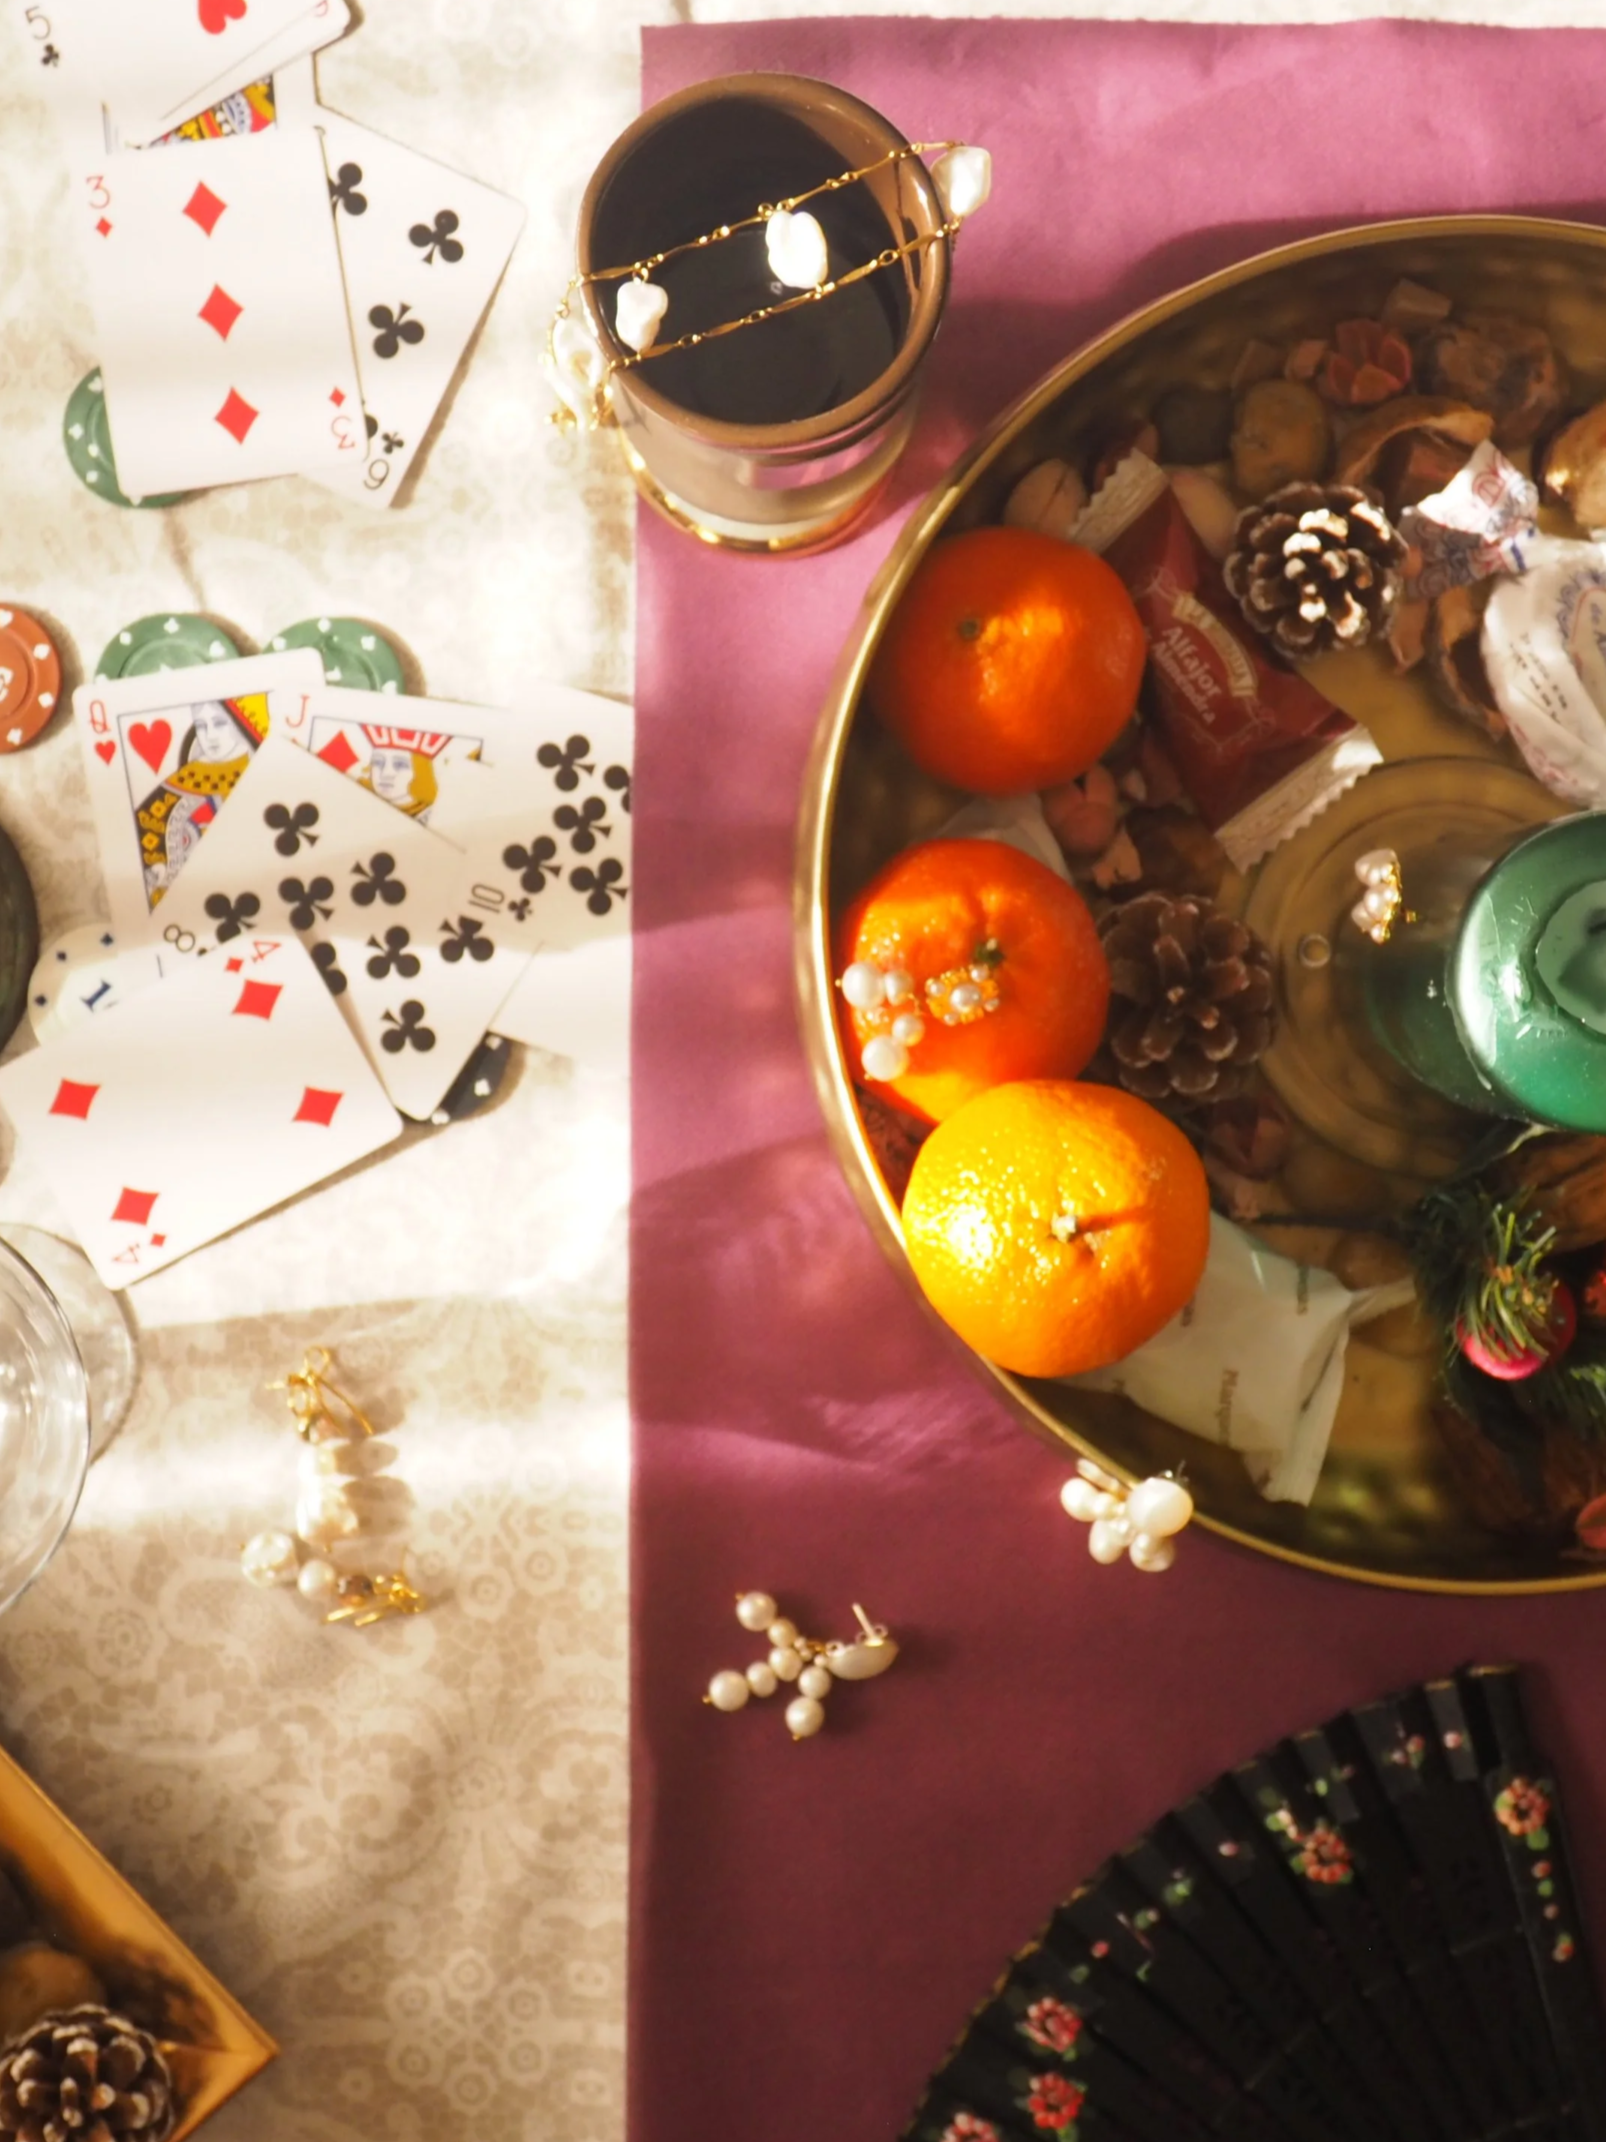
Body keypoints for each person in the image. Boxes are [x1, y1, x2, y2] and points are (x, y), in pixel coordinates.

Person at [137, 694, 267, 908]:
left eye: (219, 724)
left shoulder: (268, 773)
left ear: (240, 725)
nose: (210, 735)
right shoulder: (178, 785)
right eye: (201, 725)